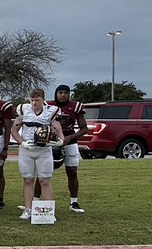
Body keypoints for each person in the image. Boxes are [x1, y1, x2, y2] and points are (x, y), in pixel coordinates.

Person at [12, 89, 64, 221]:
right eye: (32, 100)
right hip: (27, 150)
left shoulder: (50, 111)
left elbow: (57, 127)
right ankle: (28, 209)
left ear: (43, 99)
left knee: (44, 180)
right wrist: (22, 143)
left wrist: (60, 140)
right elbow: (14, 130)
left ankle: (47, 211)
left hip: (43, 150)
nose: (34, 103)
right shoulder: (23, 109)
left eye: (37, 100)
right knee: (28, 180)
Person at [50, 84, 89, 214]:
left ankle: (74, 202)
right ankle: (36, 200)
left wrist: (70, 137)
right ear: (56, 93)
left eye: (65, 92)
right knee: (44, 172)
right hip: (52, 142)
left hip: (70, 142)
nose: (63, 95)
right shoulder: (48, 106)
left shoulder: (75, 107)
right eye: (60, 92)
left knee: (72, 171)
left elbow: (84, 128)